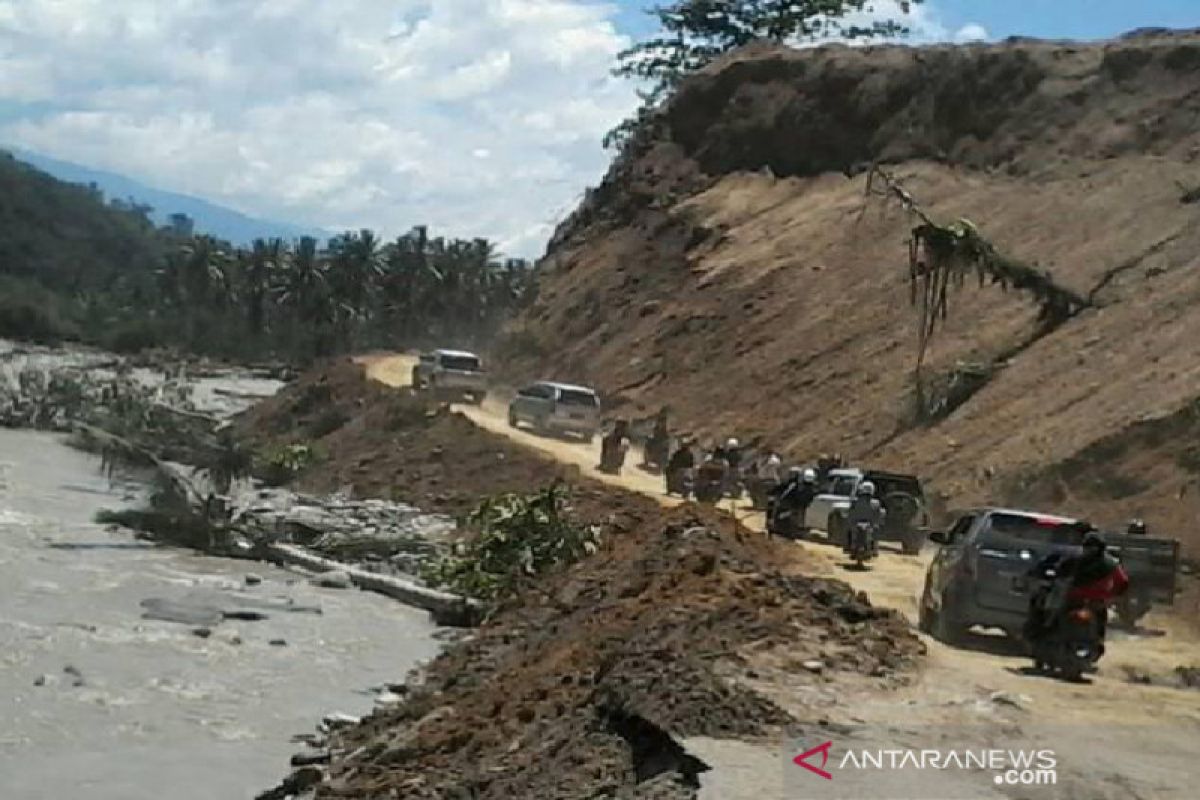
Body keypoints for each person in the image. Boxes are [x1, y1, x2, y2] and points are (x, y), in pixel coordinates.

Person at [1025, 530, 1130, 644]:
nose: (1090, 551)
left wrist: (1111, 597)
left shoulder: (1084, 560)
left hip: (1082, 600)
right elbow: (1122, 582)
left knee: (1049, 615)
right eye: (1089, 547)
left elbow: (1122, 582)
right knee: (1048, 613)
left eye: (1092, 548)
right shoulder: (1104, 562)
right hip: (1081, 600)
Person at [845, 481, 885, 555]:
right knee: (875, 532)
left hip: (860, 524)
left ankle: (848, 546)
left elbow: (850, 512)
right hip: (866, 524)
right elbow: (879, 515)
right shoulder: (876, 503)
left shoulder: (855, 501)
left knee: (849, 530)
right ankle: (874, 549)